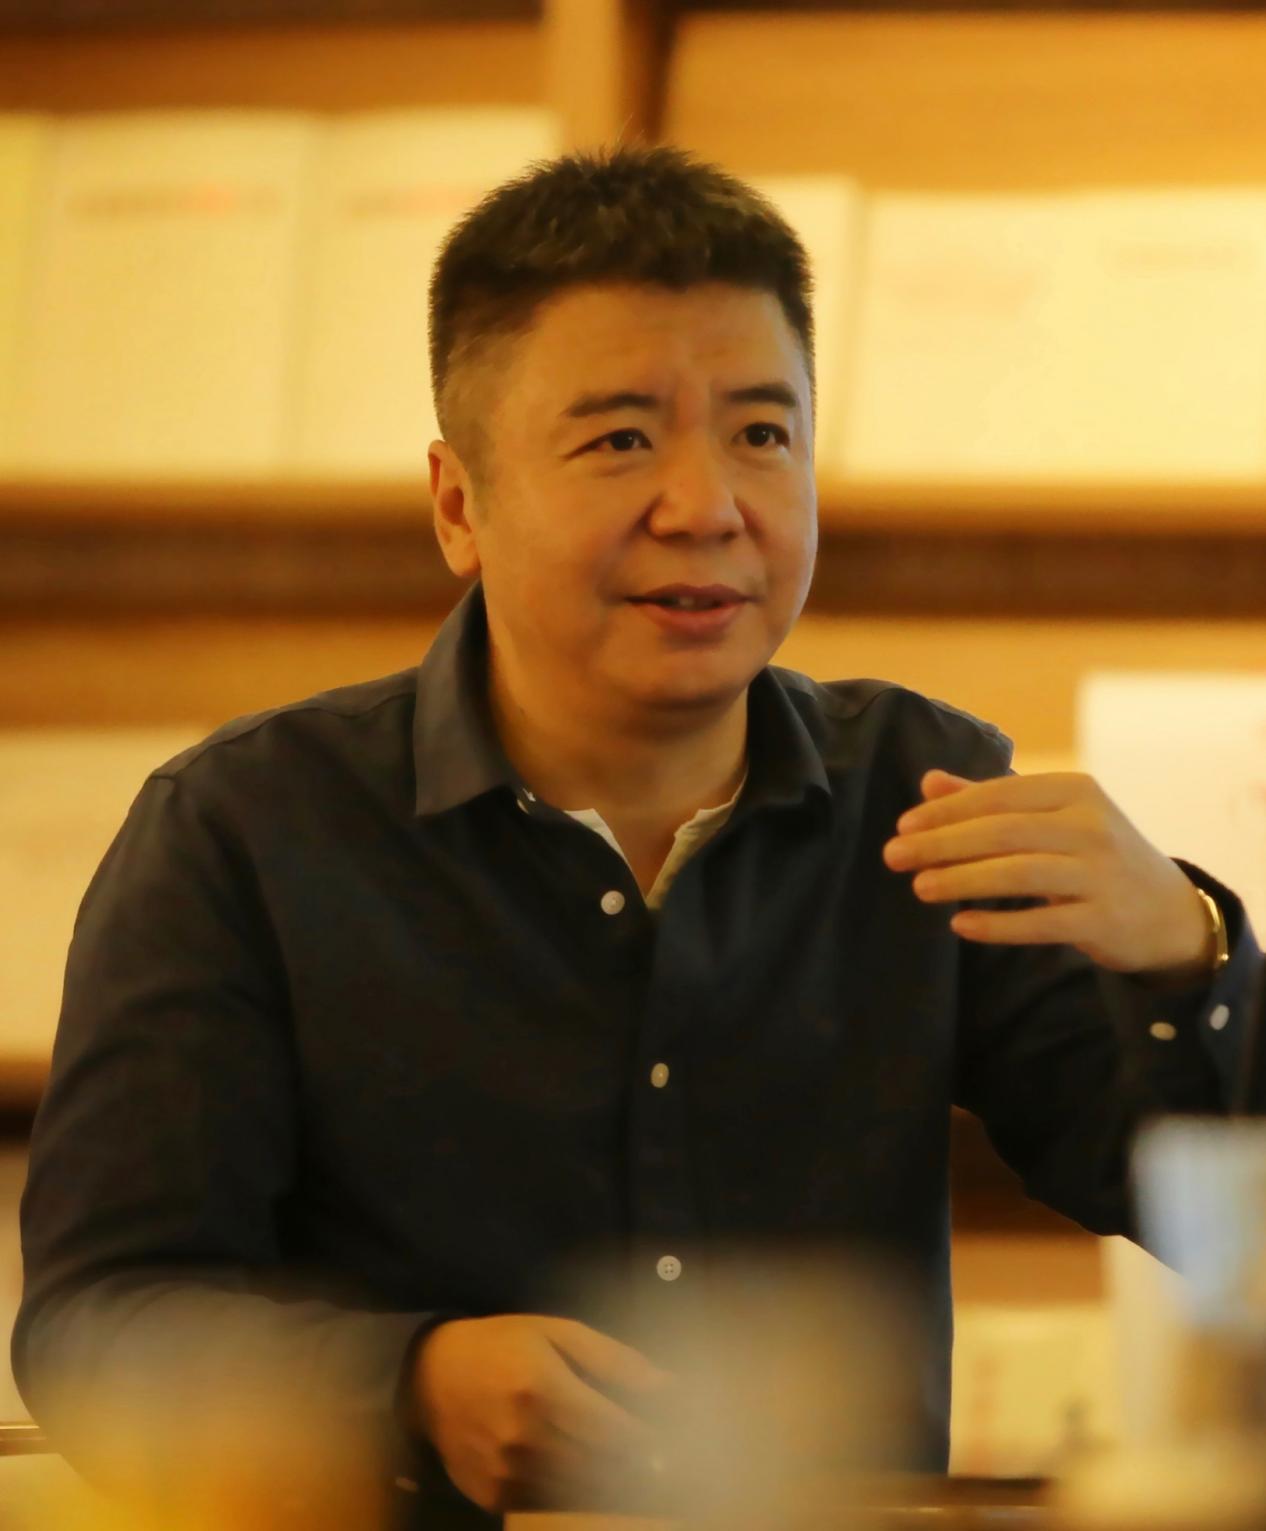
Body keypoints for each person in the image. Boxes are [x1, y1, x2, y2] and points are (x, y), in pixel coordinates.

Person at [12, 145, 1264, 1529]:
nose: (708, 506)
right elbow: (97, 1323)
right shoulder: (245, 831)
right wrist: (406, 1383)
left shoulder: (922, 798)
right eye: (620, 440)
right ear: (458, 504)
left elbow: (1208, 1226)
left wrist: (1188, 952)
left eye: (761, 435)